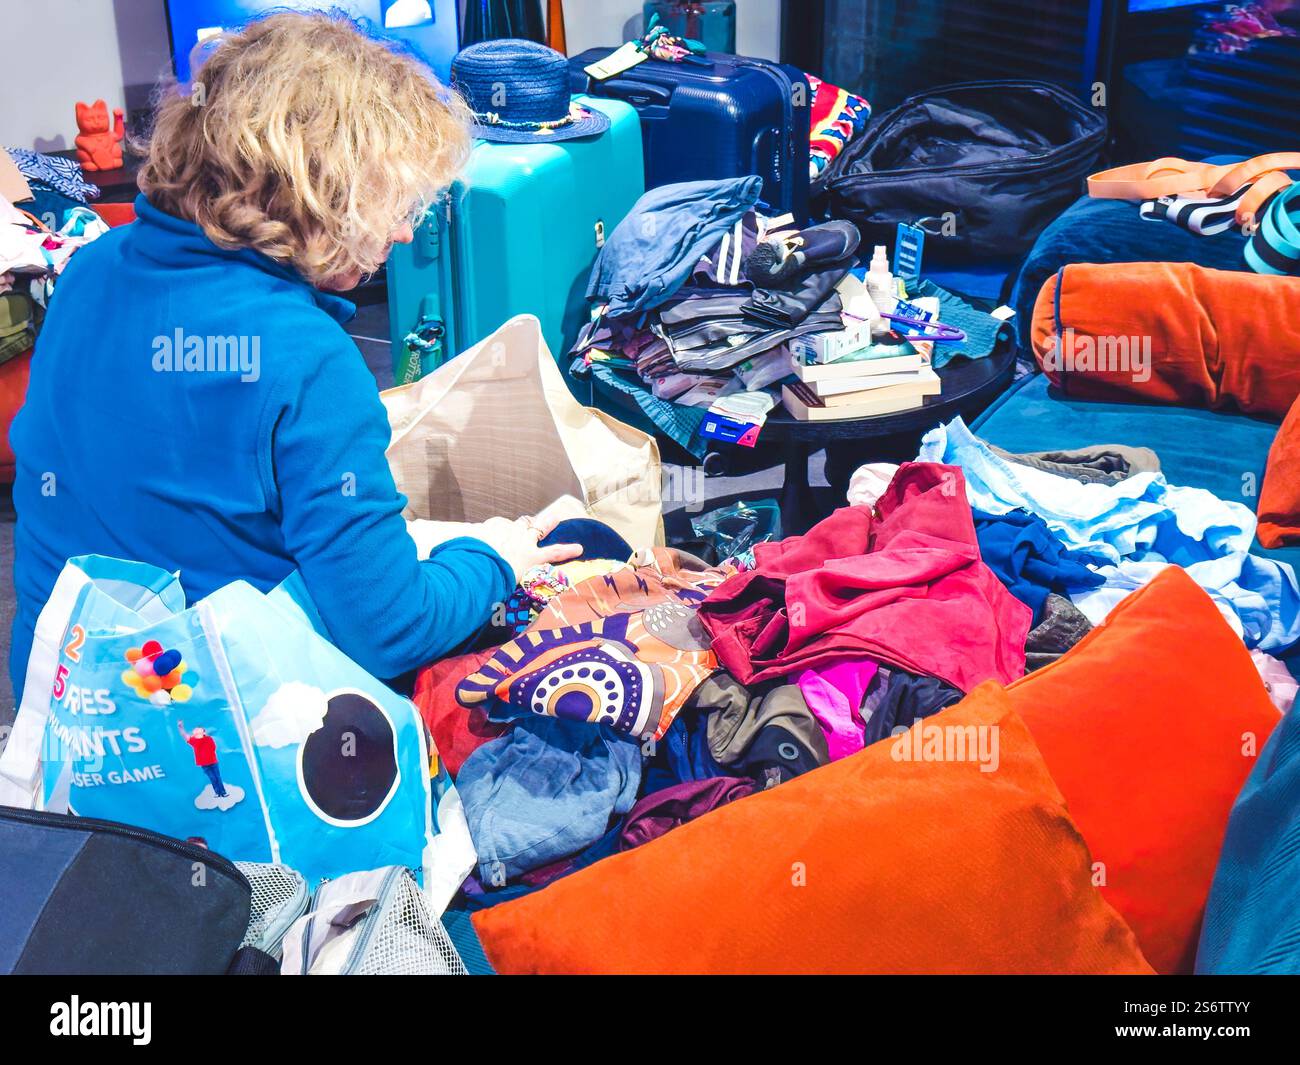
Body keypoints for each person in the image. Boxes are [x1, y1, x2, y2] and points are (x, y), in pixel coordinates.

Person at [9, 12, 578, 701]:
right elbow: (390, 629)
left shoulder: (88, 269)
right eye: (392, 201)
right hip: (213, 735)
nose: (402, 233)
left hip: (61, 706)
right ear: (319, 192)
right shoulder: (305, 357)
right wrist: (496, 558)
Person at [177, 722, 227, 799]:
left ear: (203, 732)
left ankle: (223, 792)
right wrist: (181, 727)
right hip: (204, 764)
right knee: (212, 778)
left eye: (199, 729)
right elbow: (184, 735)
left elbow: (214, 747)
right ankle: (217, 792)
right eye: (195, 730)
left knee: (217, 777)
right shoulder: (193, 740)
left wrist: (208, 754)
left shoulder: (209, 738)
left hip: (213, 762)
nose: (196, 730)